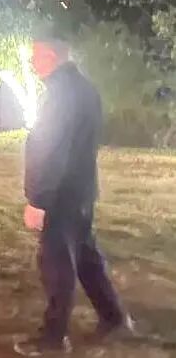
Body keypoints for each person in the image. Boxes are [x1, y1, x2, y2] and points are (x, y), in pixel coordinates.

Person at [14, 39, 134, 356]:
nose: (32, 63)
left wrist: (38, 199)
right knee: (86, 259)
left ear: (51, 56)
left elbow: (51, 149)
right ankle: (114, 317)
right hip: (80, 192)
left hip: (60, 196)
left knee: (57, 266)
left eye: (36, 56)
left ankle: (53, 338)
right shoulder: (84, 89)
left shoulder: (61, 94)